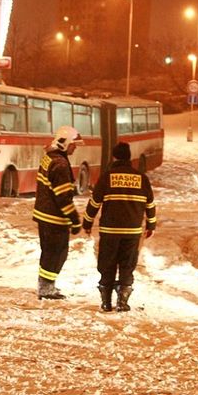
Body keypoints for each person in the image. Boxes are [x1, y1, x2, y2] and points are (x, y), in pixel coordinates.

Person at [82, 142, 156, 312]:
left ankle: (106, 301)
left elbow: (94, 203)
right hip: (132, 231)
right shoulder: (141, 178)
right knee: (127, 265)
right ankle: (122, 301)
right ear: (129, 157)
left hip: (110, 231)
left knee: (107, 264)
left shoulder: (107, 177)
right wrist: (151, 225)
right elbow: (150, 204)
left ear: (114, 157)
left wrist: (87, 223)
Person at [33, 126, 83, 300]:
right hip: (54, 218)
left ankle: (45, 285)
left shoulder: (49, 158)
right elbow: (63, 197)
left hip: (43, 214)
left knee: (48, 251)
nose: (75, 147)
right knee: (56, 253)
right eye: (74, 144)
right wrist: (75, 219)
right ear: (66, 143)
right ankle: (46, 288)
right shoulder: (61, 165)